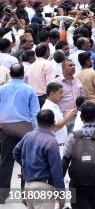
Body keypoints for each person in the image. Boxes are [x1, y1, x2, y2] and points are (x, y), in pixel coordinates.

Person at [61, 101, 95, 209]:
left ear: (81, 117)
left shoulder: (73, 136)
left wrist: (59, 184)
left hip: (77, 183)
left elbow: (65, 161)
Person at [0, 63, 40, 204]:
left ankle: (2, 195)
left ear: (10, 74)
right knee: (26, 162)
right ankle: (25, 196)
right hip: (25, 129)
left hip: (6, 129)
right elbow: (35, 113)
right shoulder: (30, 90)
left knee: (5, 161)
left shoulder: (2, 89)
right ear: (23, 74)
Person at [13, 110, 65, 209]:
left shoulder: (28, 136)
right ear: (53, 123)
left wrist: (26, 167)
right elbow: (56, 170)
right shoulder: (51, 142)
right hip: (43, 188)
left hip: (28, 186)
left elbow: (15, 152)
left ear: (37, 121)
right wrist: (61, 193)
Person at [41, 82, 77, 151]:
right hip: (55, 147)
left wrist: (65, 116)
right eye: (60, 93)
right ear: (52, 94)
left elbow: (57, 123)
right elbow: (54, 127)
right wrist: (67, 118)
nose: (62, 95)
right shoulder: (48, 108)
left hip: (60, 145)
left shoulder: (54, 105)